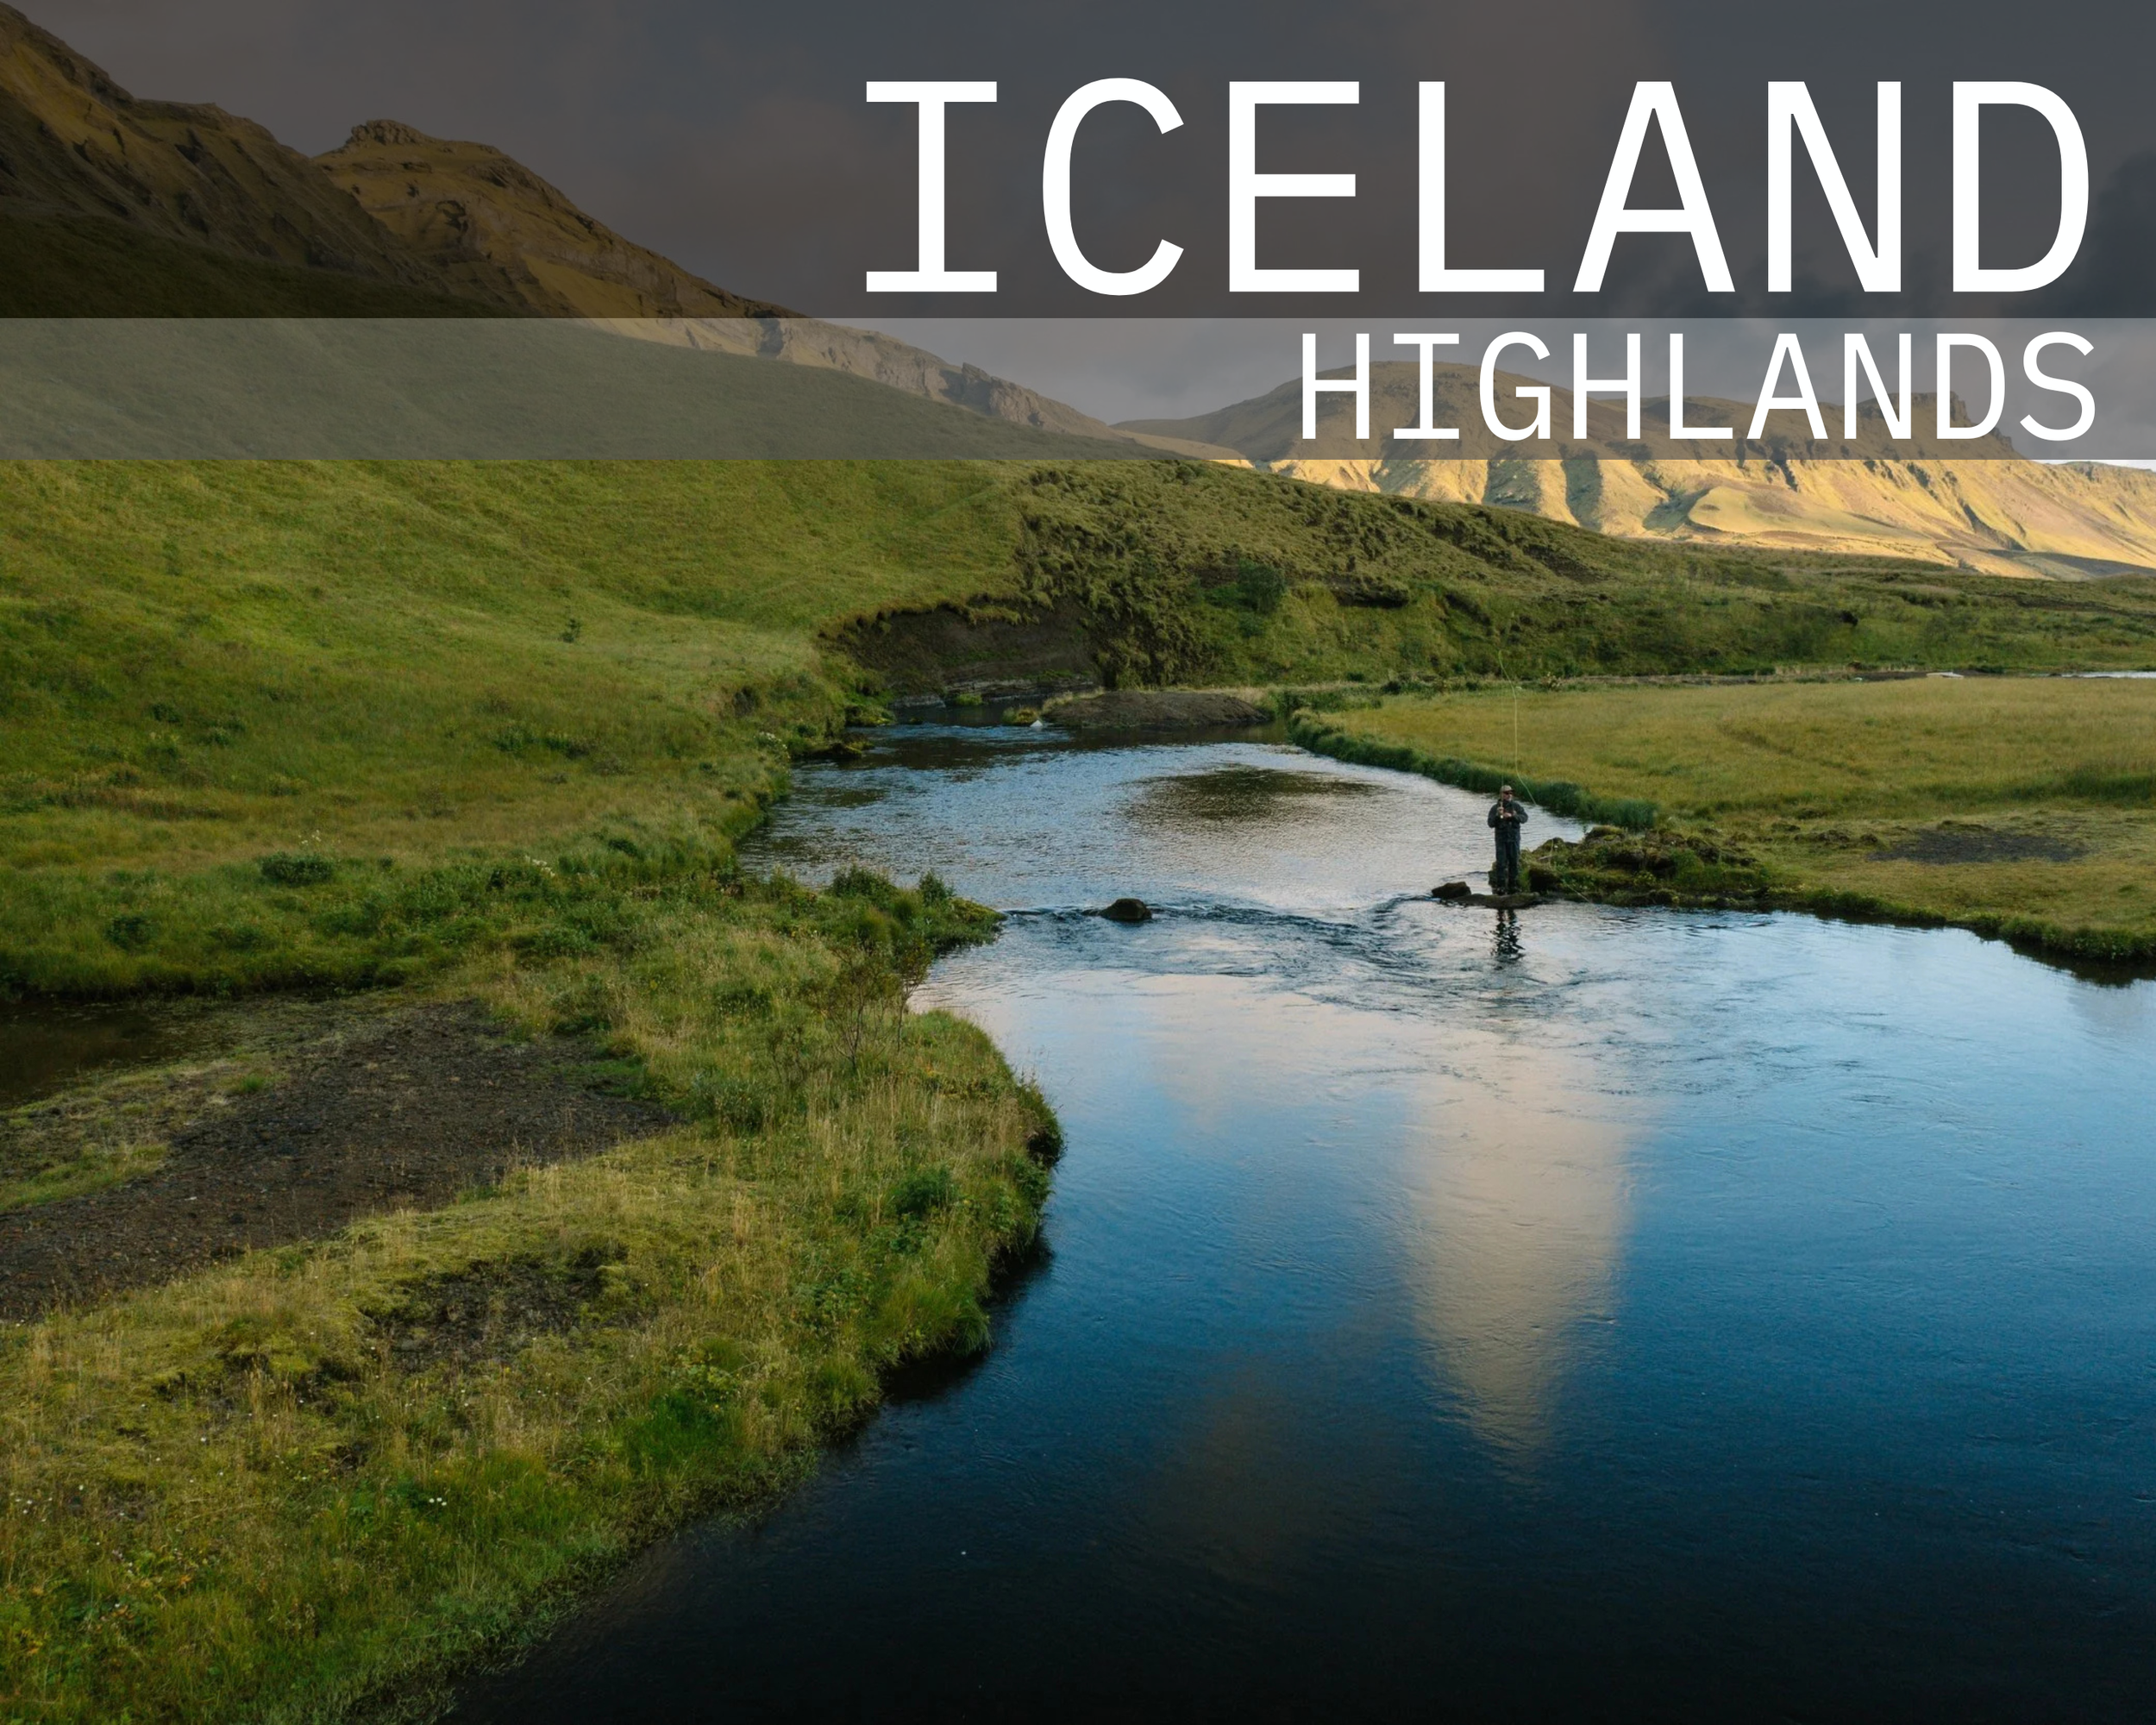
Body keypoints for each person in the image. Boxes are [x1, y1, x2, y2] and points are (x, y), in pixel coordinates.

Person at [1488, 784, 1529, 894]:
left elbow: (1525, 818)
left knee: (1514, 862)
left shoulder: (1517, 806)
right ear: (1501, 794)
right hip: (1501, 840)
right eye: (1506, 793)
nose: (1509, 795)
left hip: (1514, 839)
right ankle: (1500, 887)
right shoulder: (1495, 808)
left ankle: (1513, 886)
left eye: (1511, 793)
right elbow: (1490, 824)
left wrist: (1512, 816)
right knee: (1501, 863)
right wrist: (1498, 815)